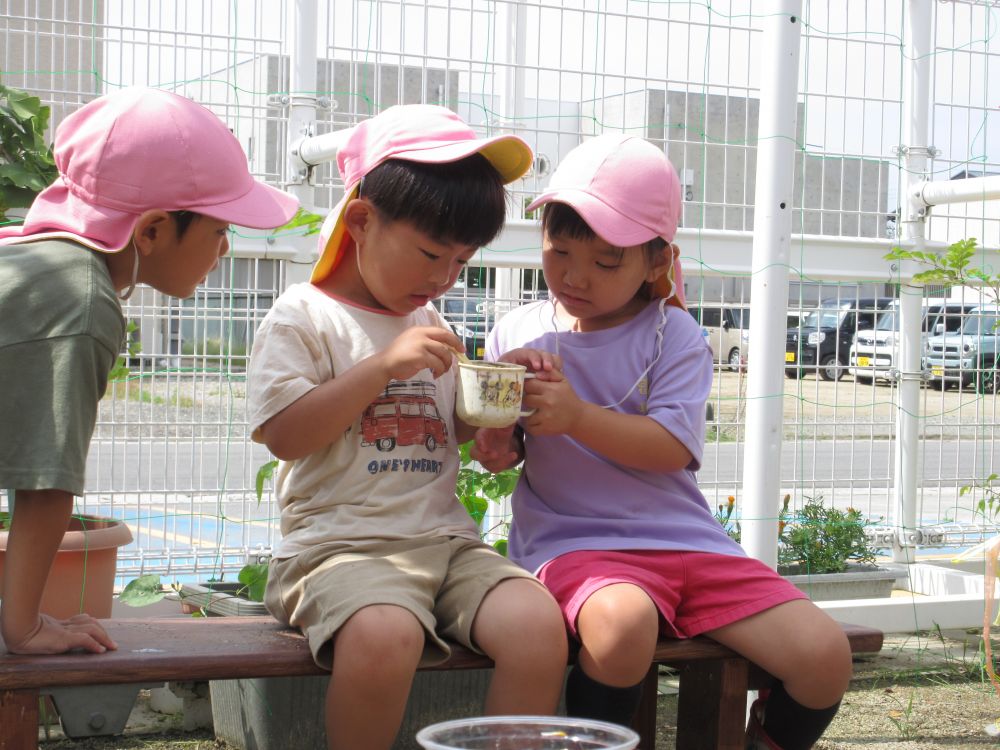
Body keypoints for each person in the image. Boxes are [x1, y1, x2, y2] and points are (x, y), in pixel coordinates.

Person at [472, 133, 853, 750]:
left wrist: (575, 416)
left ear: (657, 262)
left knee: (824, 655)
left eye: (605, 262)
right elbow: (501, 453)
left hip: (688, 545)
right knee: (623, 626)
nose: (574, 276)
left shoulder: (672, 334)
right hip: (577, 545)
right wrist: (495, 440)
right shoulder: (520, 331)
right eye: (559, 250)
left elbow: (671, 447)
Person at [246, 104, 568, 750]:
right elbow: (285, 434)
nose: (442, 278)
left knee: (539, 625)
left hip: (444, 545)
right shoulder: (303, 316)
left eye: (460, 262)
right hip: (337, 550)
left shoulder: (429, 322)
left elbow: (472, 447)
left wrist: (501, 402)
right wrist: (380, 370)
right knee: (385, 635)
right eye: (429, 254)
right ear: (361, 222)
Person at [0, 88, 299, 656]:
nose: (225, 248)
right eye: (217, 230)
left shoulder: (35, 261)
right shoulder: (81, 302)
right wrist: (26, 628)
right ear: (153, 230)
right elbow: (44, 483)